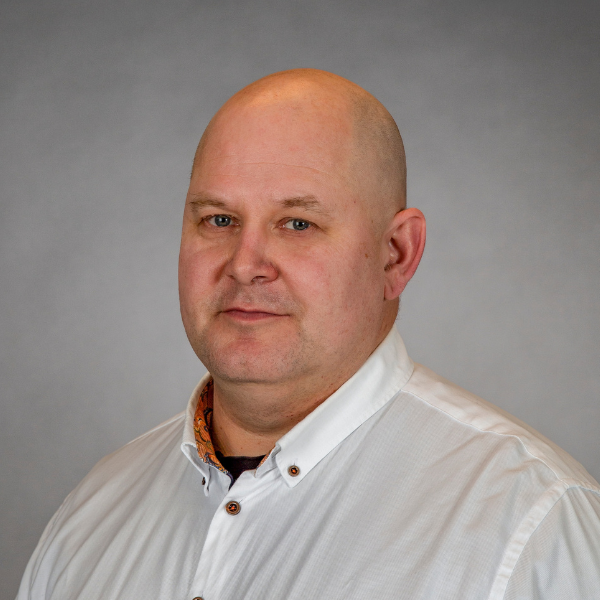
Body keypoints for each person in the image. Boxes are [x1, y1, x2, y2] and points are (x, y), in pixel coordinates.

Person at [17, 69, 600, 600]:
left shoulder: (534, 526)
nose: (245, 264)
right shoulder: (89, 518)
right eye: (218, 219)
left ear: (396, 255)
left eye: (298, 223)